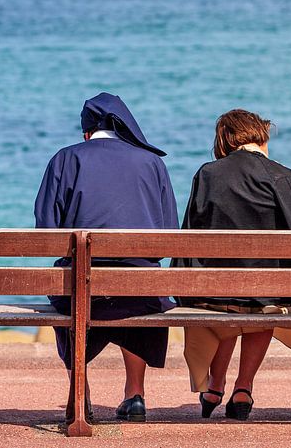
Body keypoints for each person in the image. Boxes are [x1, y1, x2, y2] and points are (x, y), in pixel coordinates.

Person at [172, 109, 291, 421]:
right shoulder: (287, 177)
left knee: (228, 303)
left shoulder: (208, 174)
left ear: (224, 139)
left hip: (217, 293)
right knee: (264, 303)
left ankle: (215, 385)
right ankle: (243, 388)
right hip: (271, 294)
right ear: (261, 135)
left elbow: (192, 234)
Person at [34, 92, 178, 424]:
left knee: (68, 285)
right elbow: (168, 234)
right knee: (145, 280)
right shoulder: (152, 162)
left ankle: (80, 393)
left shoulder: (65, 159)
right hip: (139, 295)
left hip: (83, 294)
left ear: (86, 131)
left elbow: (46, 234)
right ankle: (135, 394)